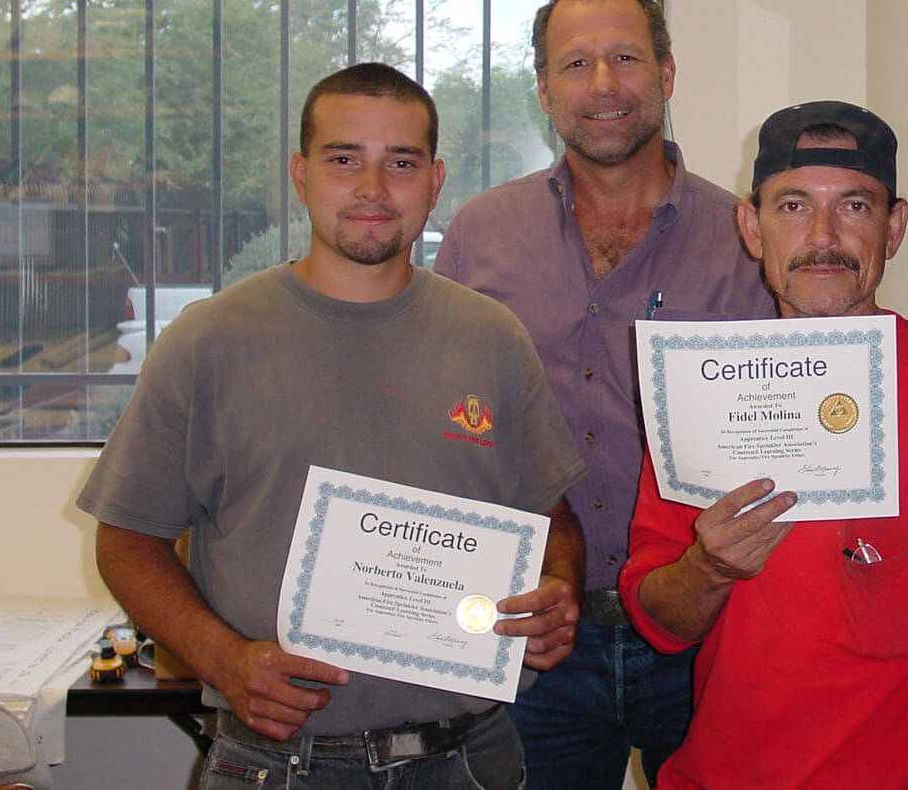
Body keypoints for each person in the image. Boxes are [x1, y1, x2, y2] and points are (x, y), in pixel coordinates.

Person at [78, 63, 587, 790]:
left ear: (436, 181)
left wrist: (559, 585)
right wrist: (222, 658)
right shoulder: (210, 339)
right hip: (278, 764)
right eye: (345, 159)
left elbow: (551, 516)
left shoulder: (491, 337)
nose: (373, 188)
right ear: (300, 173)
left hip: (467, 757)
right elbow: (126, 538)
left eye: (400, 163)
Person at [619, 101, 908, 789]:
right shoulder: (702, 382)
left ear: (895, 226)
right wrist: (708, 567)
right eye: (792, 205)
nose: (823, 235)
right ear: (751, 225)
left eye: (854, 205)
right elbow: (659, 620)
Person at [433, 0, 774, 788]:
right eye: (575, 64)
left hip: (706, 623)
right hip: (534, 637)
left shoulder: (748, 239)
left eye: (624, 56)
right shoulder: (481, 235)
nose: (603, 85)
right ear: (544, 90)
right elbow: (443, 423)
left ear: (665, 73)